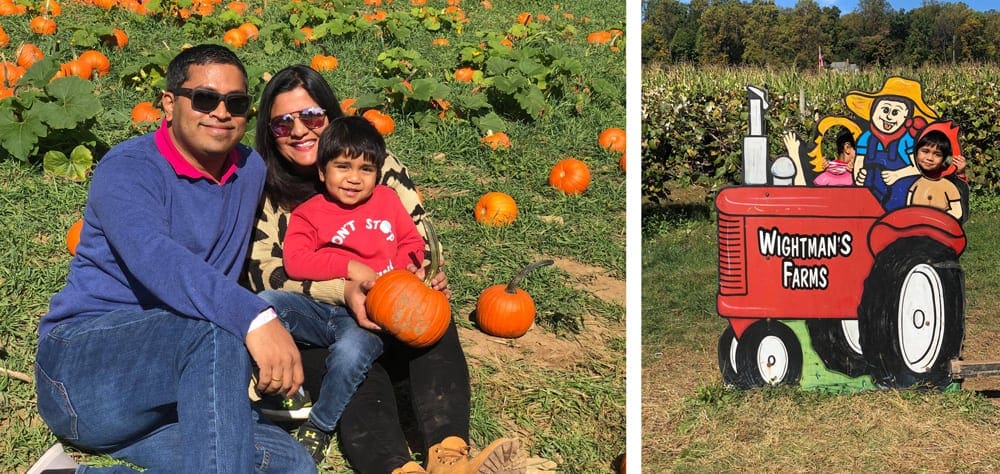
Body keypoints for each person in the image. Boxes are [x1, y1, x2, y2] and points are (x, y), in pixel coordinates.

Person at [32, 45, 315, 473]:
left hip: (166, 400)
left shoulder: (249, 168)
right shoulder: (128, 168)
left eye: (236, 103)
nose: (221, 112)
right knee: (215, 333)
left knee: (290, 463)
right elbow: (156, 257)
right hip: (83, 375)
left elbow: (314, 196)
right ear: (168, 103)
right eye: (204, 98)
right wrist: (256, 318)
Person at [245, 64, 525, 473]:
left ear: (331, 117)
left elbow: (418, 233)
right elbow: (265, 274)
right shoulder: (263, 188)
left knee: (433, 321)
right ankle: (394, 468)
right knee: (350, 367)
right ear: (271, 133)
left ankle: (450, 455)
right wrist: (346, 286)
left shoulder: (376, 163)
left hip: (393, 304)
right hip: (326, 324)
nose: (301, 130)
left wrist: (422, 274)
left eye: (311, 117)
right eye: (284, 124)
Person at [283, 115, 425, 284]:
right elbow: (295, 261)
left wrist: (399, 274)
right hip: (333, 304)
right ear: (322, 171)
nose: (354, 178)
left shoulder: (387, 199)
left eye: (366, 169)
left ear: (377, 174)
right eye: (343, 167)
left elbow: (411, 241)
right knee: (275, 300)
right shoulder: (307, 214)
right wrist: (348, 267)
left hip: (389, 293)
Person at [906, 126, 969, 222]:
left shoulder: (946, 180)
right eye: (925, 151)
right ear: (916, 152)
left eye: (937, 154)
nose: (930, 158)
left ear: (943, 159)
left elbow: (959, 202)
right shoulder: (908, 174)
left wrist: (960, 173)